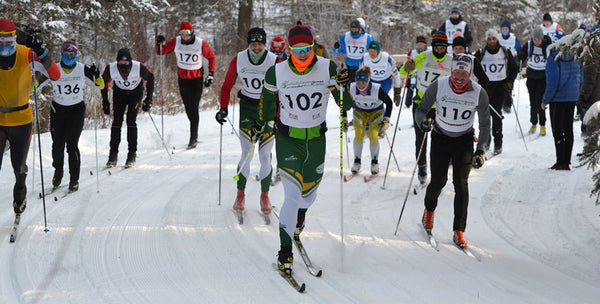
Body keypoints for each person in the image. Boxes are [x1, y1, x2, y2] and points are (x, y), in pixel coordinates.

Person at [257, 24, 353, 275]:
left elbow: (346, 106)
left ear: (313, 46)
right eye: (297, 49)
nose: (302, 54)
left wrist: (345, 86)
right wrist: (264, 123)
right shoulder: (276, 72)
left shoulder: (327, 67)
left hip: (317, 141)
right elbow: (266, 102)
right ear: (289, 48)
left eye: (307, 48)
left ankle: (299, 219)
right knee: (291, 194)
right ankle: (285, 251)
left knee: (308, 196)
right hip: (289, 140)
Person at [416, 54, 490, 247]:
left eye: (463, 74)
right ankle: (429, 212)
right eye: (456, 72)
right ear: (451, 71)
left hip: (464, 140)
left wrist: (481, 150)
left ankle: (459, 230)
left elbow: (485, 125)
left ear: (469, 74)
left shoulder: (478, 92)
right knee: (439, 181)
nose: (459, 77)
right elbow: (421, 109)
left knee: (461, 183)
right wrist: (422, 122)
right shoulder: (439, 85)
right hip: (440, 137)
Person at [0, 18, 60, 216]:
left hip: (21, 121)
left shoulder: (26, 55)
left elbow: (55, 75)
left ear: (15, 39)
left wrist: (42, 53)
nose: (3, 45)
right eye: (0, 41)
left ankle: (20, 196)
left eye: (8, 41)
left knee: (19, 167)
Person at [216, 27, 278, 215]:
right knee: (247, 153)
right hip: (248, 110)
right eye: (253, 44)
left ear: (264, 43)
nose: (256, 47)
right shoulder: (239, 59)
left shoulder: (275, 61)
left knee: (265, 155)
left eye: (260, 44)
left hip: (268, 109)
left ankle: (265, 196)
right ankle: (240, 195)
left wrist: (279, 116)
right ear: (248, 44)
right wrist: (223, 108)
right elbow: (227, 86)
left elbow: (283, 89)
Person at [42, 39, 105, 192]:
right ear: (62, 53)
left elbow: (100, 85)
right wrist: (32, 78)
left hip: (76, 110)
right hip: (58, 110)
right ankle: (58, 173)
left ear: (76, 54)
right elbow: (36, 85)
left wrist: (97, 75)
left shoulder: (82, 69)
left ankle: (74, 180)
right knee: (57, 145)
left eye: (73, 53)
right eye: (67, 53)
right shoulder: (54, 69)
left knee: (72, 146)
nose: (69, 56)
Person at [400, 31, 452, 185]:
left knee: (440, 140)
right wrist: (407, 66)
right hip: (422, 104)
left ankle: (438, 169)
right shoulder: (424, 57)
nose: (440, 50)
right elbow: (404, 72)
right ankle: (422, 166)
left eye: (443, 48)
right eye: (437, 47)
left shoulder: (451, 61)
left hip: (441, 106)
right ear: (433, 46)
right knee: (421, 138)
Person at [156, 21, 216, 149]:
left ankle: (193, 137)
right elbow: (162, 51)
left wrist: (211, 74)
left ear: (192, 32)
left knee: (193, 107)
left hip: (196, 80)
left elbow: (211, 57)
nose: (184, 36)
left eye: (187, 33)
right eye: (182, 33)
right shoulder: (176, 41)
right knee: (188, 107)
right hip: (183, 79)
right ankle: (194, 130)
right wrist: (159, 43)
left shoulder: (200, 43)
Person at [101, 48, 154, 168]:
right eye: (120, 63)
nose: (123, 66)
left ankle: (132, 154)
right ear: (117, 62)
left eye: (126, 63)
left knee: (131, 121)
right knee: (117, 122)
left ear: (130, 62)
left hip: (135, 94)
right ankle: (113, 155)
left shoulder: (138, 67)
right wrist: (105, 101)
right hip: (119, 94)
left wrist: (148, 99)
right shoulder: (111, 68)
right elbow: (102, 83)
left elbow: (150, 78)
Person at [474, 29, 518, 155]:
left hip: (500, 86)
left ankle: (498, 143)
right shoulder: (481, 53)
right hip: (485, 87)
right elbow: (474, 68)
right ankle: (485, 141)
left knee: (497, 115)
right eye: (489, 39)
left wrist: (509, 82)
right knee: (484, 116)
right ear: (486, 40)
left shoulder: (505, 52)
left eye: (493, 39)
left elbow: (514, 68)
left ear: (497, 39)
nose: (491, 41)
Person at [345, 66, 393, 175]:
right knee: (359, 134)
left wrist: (386, 119)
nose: (360, 85)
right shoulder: (351, 88)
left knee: (373, 134)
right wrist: (344, 119)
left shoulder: (376, 89)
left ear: (368, 81)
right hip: (359, 111)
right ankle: (357, 162)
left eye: (363, 83)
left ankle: (374, 163)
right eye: (358, 83)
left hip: (375, 111)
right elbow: (344, 103)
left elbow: (389, 103)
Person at [542, 44, 582, 170]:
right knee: (568, 130)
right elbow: (581, 77)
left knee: (558, 131)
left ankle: (561, 162)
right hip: (572, 97)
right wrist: (576, 93)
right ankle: (567, 160)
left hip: (558, 99)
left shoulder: (553, 59)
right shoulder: (575, 56)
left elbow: (552, 82)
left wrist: (545, 100)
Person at [517, 27, 552, 136]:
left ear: (542, 39)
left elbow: (552, 59)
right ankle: (533, 123)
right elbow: (521, 55)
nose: (536, 41)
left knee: (540, 102)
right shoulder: (529, 45)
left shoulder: (547, 47)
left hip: (542, 77)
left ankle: (542, 125)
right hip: (531, 76)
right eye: (534, 39)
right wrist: (519, 58)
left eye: (538, 40)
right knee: (532, 102)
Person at [404, 35, 429, 108]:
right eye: (418, 44)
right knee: (410, 87)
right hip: (414, 73)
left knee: (421, 88)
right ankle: (407, 103)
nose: (420, 46)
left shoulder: (428, 51)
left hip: (424, 73)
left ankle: (420, 101)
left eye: (421, 44)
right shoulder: (413, 52)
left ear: (424, 44)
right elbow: (409, 61)